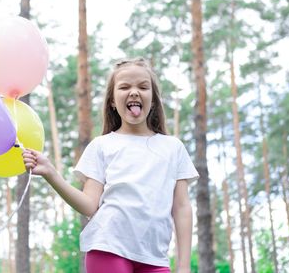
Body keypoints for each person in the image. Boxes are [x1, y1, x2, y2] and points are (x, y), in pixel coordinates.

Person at [22, 57, 199, 273]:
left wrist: (183, 267)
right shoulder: (102, 146)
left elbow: (181, 208)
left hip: (155, 259)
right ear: (113, 101)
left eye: (143, 87)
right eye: (125, 87)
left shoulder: (173, 148)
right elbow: (89, 205)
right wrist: (51, 174)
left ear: (152, 100)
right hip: (108, 248)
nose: (134, 92)